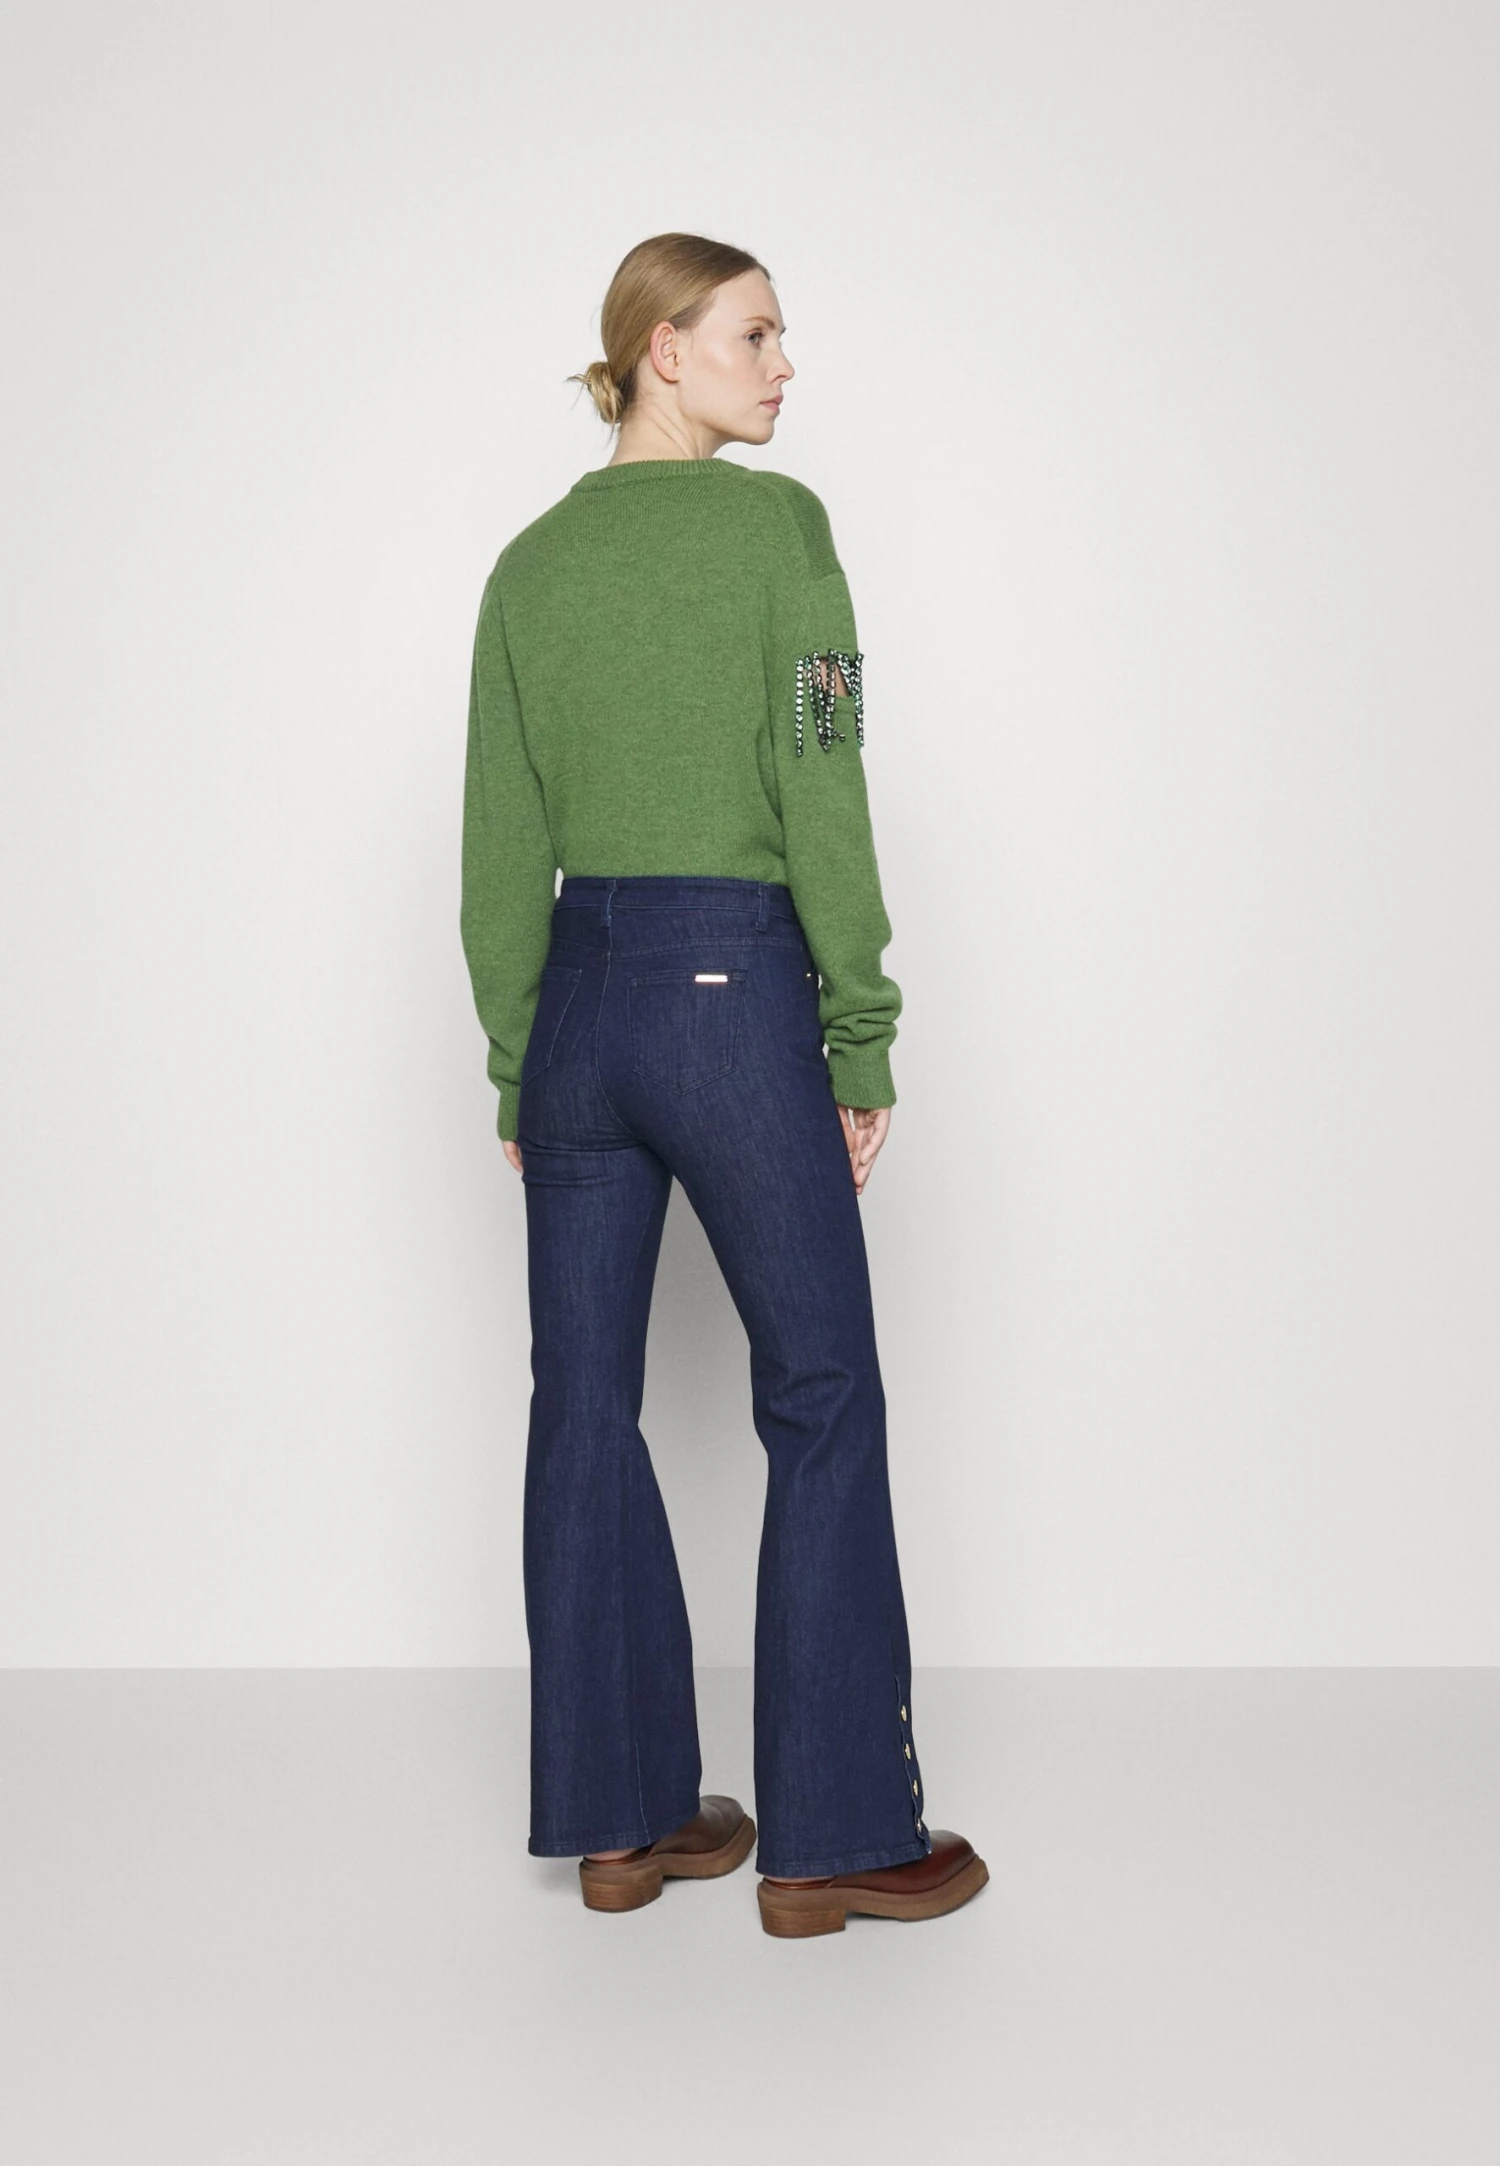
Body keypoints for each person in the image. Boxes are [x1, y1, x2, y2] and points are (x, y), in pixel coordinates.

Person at [460, 232, 987, 1938]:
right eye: (755, 333)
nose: (783, 365)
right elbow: (826, 777)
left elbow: (497, 850)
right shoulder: (783, 535)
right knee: (821, 1390)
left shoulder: (528, 569)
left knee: (581, 1407)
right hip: (732, 993)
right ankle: (833, 1836)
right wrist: (860, 1028)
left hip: (579, 1011)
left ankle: (621, 1823)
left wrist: (521, 1063)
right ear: (662, 349)